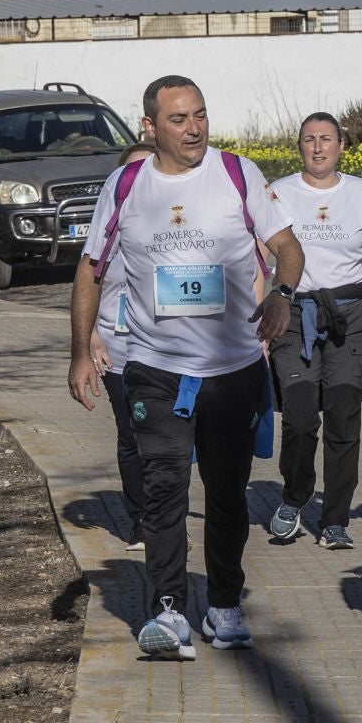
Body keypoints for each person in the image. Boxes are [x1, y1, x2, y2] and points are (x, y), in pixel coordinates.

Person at [68, 75, 303, 660]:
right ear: (150, 126)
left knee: (227, 496)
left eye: (200, 114)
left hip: (233, 369)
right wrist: (79, 351)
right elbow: (90, 269)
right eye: (179, 118)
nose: (194, 127)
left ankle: (224, 602)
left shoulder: (237, 172)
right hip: (154, 366)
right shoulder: (127, 184)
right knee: (164, 490)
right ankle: (168, 610)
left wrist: (283, 294)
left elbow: (288, 248)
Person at [264, 112, 362, 552]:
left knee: (343, 418)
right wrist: (258, 323)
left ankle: (336, 518)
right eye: (308, 140)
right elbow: (256, 262)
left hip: (350, 318)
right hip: (293, 315)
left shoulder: (360, 193)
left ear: (341, 145)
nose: (317, 147)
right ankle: (293, 497)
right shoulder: (279, 193)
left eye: (325, 139)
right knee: (300, 420)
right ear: (298, 146)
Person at [84, 140, 158, 550]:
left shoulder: (174, 230)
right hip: (117, 349)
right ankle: (141, 520)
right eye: (132, 174)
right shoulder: (107, 232)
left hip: (167, 354)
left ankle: (165, 514)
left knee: (165, 438)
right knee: (131, 434)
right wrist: (89, 338)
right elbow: (87, 285)